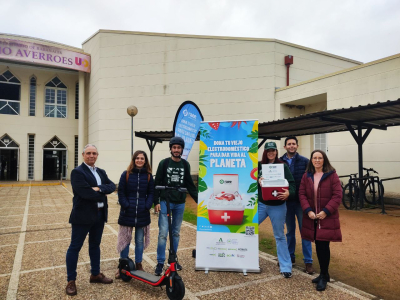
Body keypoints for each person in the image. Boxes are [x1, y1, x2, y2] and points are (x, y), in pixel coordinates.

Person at [66, 144, 116, 296]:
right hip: (82, 216)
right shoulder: (77, 172)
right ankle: (71, 281)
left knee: (95, 246)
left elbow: (112, 186)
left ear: (97, 155)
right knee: (75, 247)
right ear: (83, 155)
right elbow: (84, 193)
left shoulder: (101, 171)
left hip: (99, 215)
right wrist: (102, 191)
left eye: (94, 153)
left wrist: (98, 188)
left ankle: (95, 274)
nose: (91, 156)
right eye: (88, 153)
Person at [153, 136, 198, 276]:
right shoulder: (164, 163)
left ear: (182, 149)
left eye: (179, 148)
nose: (176, 150)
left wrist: (200, 201)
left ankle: (171, 260)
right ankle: (160, 262)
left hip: (179, 203)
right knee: (163, 233)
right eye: (174, 147)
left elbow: (190, 184)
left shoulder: (185, 164)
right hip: (166, 201)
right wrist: (157, 202)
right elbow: (156, 183)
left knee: (176, 232)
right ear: (171, 149)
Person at [299, 150, 342, 291]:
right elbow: (302, 194)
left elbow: (337, 195)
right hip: (312, 217)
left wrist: (326, 211)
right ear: (311, 160)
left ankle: (324, 275)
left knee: (324, 246)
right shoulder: (307, 175)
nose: (317, 160)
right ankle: (324, 274)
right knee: (318, 245)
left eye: (320, 158)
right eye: (314, 158)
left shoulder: (332, 175)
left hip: (326, 217)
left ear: (324, 160)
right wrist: (308, 210)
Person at [258, 141, 296, 278]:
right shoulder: (259, 166)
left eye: (273, 150)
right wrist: (258, 179)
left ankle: (285, 266)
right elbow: (250, 179)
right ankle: (249, 259)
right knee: (250, 228)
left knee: (279, 235)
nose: (271, 153)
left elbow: (291, 184)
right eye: (268, 151)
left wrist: (288, 193)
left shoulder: (283, 166)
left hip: (278, 206)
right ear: (265, 152)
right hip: (261, 205)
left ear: (276, 151)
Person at [115, 150, 154, 278]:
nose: (139, 160)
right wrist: (126, 205)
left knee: (139, 240)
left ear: (145, 161)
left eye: (142, 158)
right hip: (127, 213)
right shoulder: (125, 174)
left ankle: (138, 264)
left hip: (142, 214)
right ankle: (123, 265)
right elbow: (121, 192)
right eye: (137, 158)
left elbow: (151, 193)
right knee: (125, 240)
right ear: (133, 160)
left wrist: (147, 206)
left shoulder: (148, 176)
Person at [280, 136, 314, 274]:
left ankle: (308, 261)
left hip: (301, 202)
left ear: (297, 146)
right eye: (289, 144)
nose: (291, 146)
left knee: (304, 231)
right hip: (286, 202)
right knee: (289, 232)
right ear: (285, 147)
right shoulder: (279, 162)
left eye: (294, 144)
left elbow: (310, 181)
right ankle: (289, 257)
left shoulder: (305, 162)